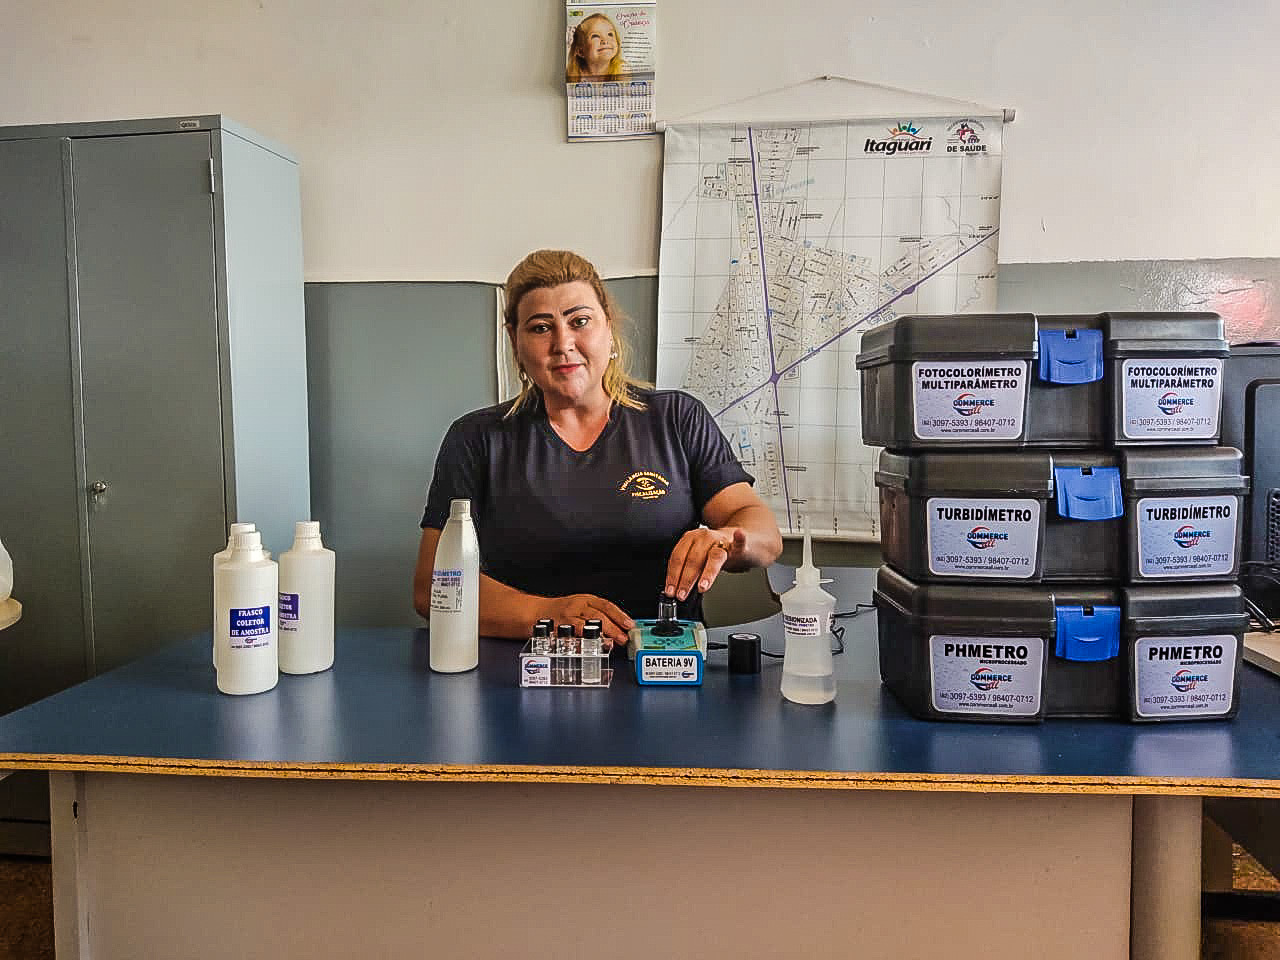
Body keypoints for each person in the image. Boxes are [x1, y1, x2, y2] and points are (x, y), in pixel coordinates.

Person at [413, 250, 782, 647]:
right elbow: (431, 588)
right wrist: (544, 614)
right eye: (540, 328)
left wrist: (727, 539)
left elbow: (763, 535)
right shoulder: (476, 438)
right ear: (515, 341)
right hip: (527, 671)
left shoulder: (676, 419)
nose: (563, 344)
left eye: (580, 321)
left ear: (609, 327)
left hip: (662, 667)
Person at [565, 12, 627, 82]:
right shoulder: (575, 76)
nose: (605, 40)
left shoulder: (622, 70)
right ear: (581, 51)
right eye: (595, 36)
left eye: (610, 34)